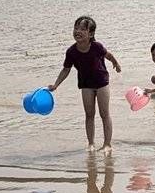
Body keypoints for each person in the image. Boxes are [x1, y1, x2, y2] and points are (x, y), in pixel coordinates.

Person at [48, 16, 121, 153]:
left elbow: (108, 55)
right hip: (85, 84)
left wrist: (115, 64)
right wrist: (56, 84)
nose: (78, 31)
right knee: (89, 114)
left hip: (101, 83)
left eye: (82, 29)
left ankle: (107, 144)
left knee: (104, 114)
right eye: (76, 28)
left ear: (91, 34)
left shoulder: (96, 47)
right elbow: (66, 69)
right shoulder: (71, 52)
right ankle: (91, 143)